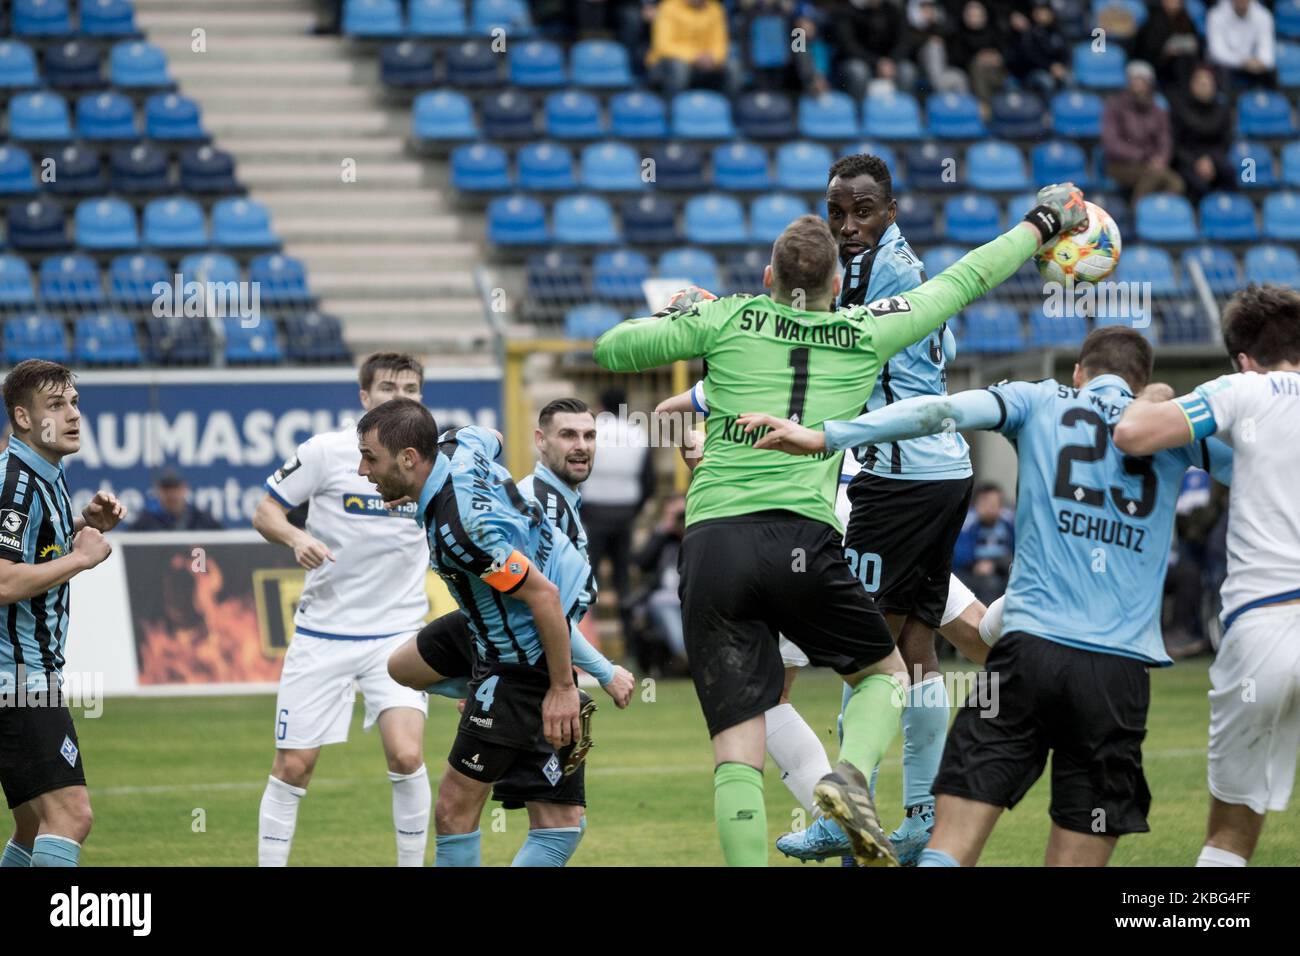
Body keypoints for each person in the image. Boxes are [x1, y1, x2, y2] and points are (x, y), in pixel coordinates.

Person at [593, 185, 1087, 866]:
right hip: (806, 540)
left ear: (769, 279)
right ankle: (849, 777)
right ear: (836, 283)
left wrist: (678, 315)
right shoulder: (864, 332)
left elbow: (613, 349)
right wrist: (1042, 222)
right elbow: (967, 278)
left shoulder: (729, 320)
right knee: (887, 674)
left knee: (738, 740)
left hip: (714, 547)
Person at [741, 326, 1234, 867]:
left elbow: (937, 411)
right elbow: (1264, 465)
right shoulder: (1177, 431)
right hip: (1118, 670)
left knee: (944, 839)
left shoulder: (1038, 397)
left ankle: (863, 815)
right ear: (1141, 383)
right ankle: (902, 816)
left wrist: (828, 436)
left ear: (1078, 371)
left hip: (1029, 653)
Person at [385, 399, 634, 866]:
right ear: (540, 441)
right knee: (536, 820)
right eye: (568, 436)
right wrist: (600, 671)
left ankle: (487, 690)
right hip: (521, 649)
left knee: (558, 821)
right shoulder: (540, 504)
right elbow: (546, 605)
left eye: (589, 436)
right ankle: (490, 691)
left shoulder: (555, 497)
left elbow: (487, 436)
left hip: (508, 638)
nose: (581, 447)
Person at [1113, 284, 1300, 867]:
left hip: (1264, 622)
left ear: (1243, 359)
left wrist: (1156, 394)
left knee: (1230, 837)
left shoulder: (1240, 389)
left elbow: (1133, 434)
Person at [251, 353, 433, 867]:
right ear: (363, 397)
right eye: (387, 386)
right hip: (323, 633)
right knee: (293, 766)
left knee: (407, 755)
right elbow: (265, 511)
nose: (400, 394)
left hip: (397, 634)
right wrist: (294, 537)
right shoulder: (328, 452)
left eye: (411, 387)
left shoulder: (434, 459)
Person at [0, 360, 126, 868]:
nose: (73, 414)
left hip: (25, 674)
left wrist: (79, 524)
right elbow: (3, 579)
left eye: (74, 402)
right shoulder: (17, 486)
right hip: (17, 676)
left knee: (33, 823)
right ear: (23, 418)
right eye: (56, 405)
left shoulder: (42, 473)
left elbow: (30, 546)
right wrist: (80, 558)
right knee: (71, 817)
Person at [583, 387, 655, 664]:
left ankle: (587, 648)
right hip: (625, 515)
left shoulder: (592, 430)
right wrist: (632, 510)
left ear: (600, 404)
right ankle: (633, 652)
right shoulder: (637, 433)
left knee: (586, 581)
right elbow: (648, 480)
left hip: (592, 513)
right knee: (624, 582)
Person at [1102, 60, 1185, 202]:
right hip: (1120, 165)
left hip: (1150, 165)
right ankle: (1138, 215)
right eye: (1135, 79)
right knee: (1153, 175)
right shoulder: (1115, 106)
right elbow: (1111, 143)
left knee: (1176, 184)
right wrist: (1143, 156)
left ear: (1149, 84)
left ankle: (1157, 216)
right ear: (1128, 82)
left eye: (1142, 80)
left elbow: (1165, 139)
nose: (1138, 84)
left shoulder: (1158, 110)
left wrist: (1161, 159)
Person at [645, 0, 742, 97]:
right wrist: (694, 56)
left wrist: (713, 58)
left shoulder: (715, 8)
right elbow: (663, 45)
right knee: (679, 67)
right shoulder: (668, 6)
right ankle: (672, 108)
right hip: (668, 62)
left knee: (733, 66)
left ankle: (729, 108)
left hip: (706, 62)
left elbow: (720, 42)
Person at [1171, 65, 1236, 204]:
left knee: (1229, 173)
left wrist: (1211, 160)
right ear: (1191, 85)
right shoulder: (1180, 109)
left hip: (1215, 158)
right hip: (1188, 160)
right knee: (1198, 185)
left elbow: (1226, 141)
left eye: (1207, 83)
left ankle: (1230, 213)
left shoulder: (1222, 110)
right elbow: (1176, 144)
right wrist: (1196, 162)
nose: (1203, 86)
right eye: (1199, 82)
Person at [833, 0, 916, 98]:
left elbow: (904, 41)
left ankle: (902, 109)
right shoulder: (846, 11)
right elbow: (848, 46)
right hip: (857, 62)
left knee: (907, 70)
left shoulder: (894, 10)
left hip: (889, 63)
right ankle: (859, 111)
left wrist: (892, 61)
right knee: (858, 71)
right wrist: (877, 63)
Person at [953, 482, 1015, 608]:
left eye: (994, 504)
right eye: (985, 503)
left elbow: (1018, 551)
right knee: (988, 584)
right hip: (971, 572)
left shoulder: (1008, 523)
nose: (990, 508)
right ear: (976, 504)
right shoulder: (967, 523)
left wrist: (996, 564)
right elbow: (958, 556)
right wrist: (976, 565)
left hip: (1002, 570)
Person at [1206, 0, 1276, 91]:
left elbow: (1268, 54)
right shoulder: (1216, 15)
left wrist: (1260, 62)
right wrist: (1241, 62)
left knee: (1271, 72)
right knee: (1221, 70)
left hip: (1253, 65)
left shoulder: (1264, 15)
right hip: (1227, 66)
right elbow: (1216, 52)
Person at [1133, 0, 1203, 91]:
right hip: (1160, 65)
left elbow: (1196, 42)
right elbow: (1146, 49)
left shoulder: (1186, 19)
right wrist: (1166, 52)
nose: (1175, 2)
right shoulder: (1154, 20)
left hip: (1185, 62)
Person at [128, 468, 221, 531]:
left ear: (185, 489)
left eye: (175, 488)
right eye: (166, 488)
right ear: (157, 492)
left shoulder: (202, 520)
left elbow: (224, 543)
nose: (171, 494)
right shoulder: (145, 523)